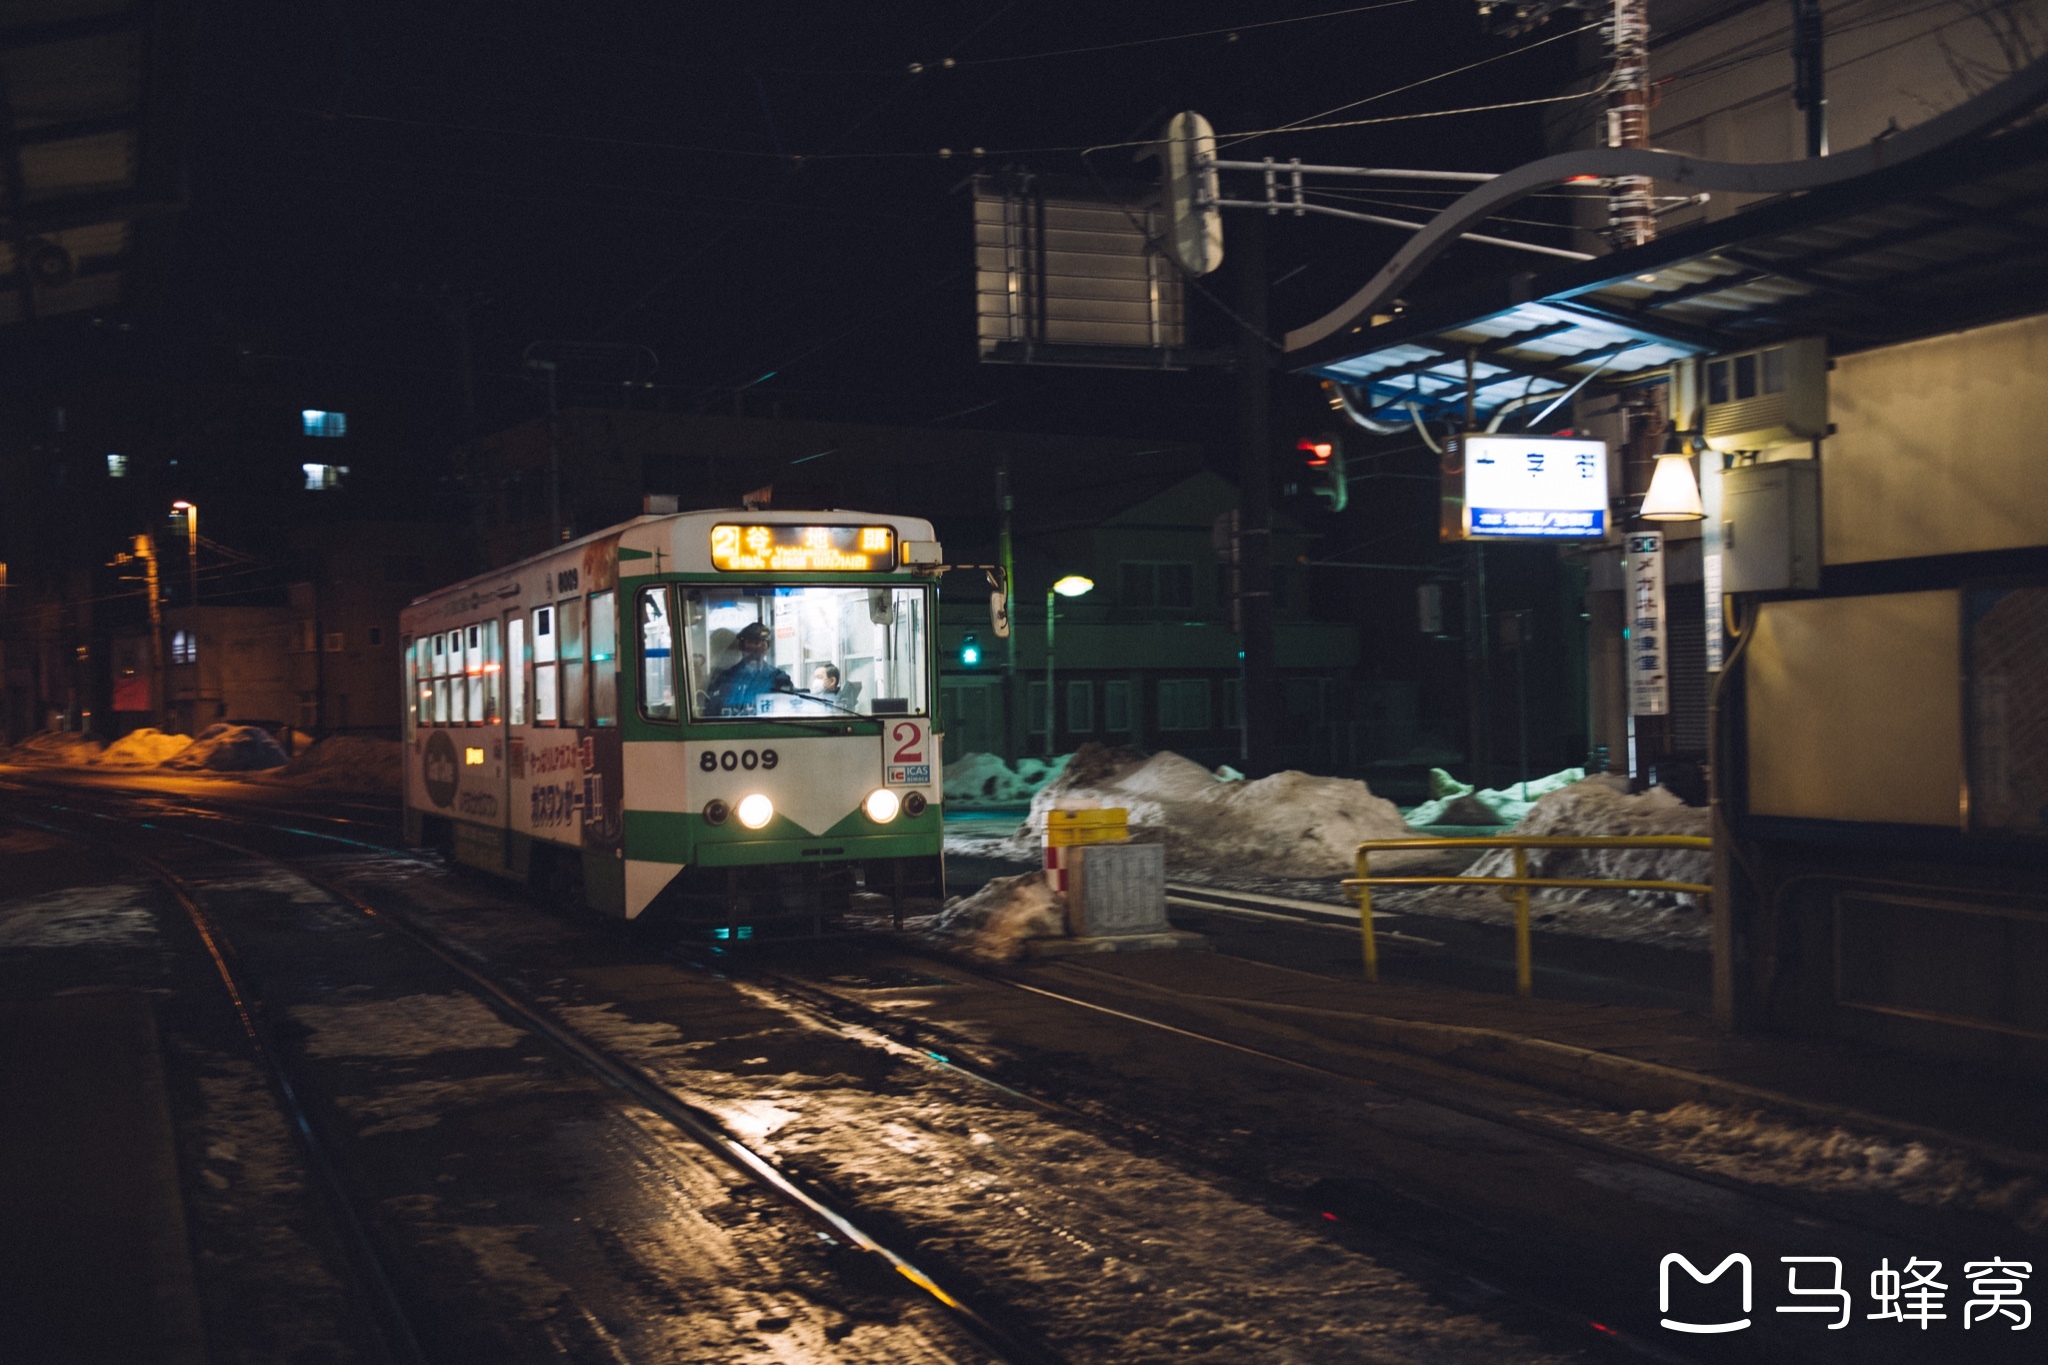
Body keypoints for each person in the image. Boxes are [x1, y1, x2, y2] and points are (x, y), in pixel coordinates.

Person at [705, 622, 792, 713]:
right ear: (742, 646)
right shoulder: (726, 678)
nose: (758, 647)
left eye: (762, 642)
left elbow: (791, 707)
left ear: (767, 646)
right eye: (752, 642)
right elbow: (710, 713)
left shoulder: (779, 678)